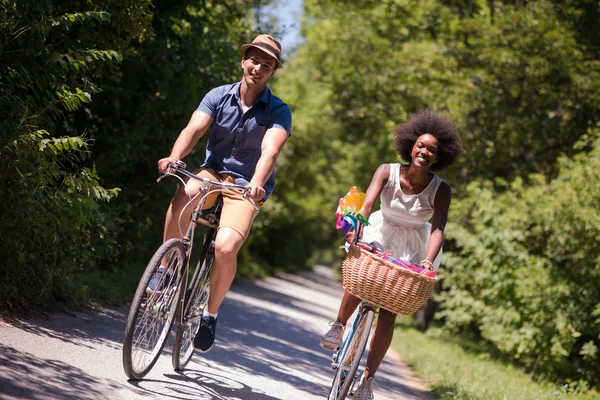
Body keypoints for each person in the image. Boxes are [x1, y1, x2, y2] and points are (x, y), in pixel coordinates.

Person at [156, 34, 292, 353]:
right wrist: (175, 158)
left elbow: (270, 152)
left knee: (226, 246)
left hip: (245, 186)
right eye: (254, 60)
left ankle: (209, 314)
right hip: (213, 172)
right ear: (244, 60)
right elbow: (194, 129)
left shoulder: (278, 111)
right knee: (186, 190)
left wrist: (257, 183)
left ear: (273, 72)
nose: (258, 67)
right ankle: (163, 273)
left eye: (266, 64)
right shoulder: (218, 95)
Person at [320, 110, 463, 399]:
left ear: (438, 158)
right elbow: (368, 203)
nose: (424, 152)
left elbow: (437, 229)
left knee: (389, 314)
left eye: (431, 150)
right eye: (420, 146)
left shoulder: (441, 190)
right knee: (360, 279)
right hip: (379, 231)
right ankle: (338, 325)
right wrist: (357, 231)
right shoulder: (388, 171)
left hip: (414, 245)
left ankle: (367, 382)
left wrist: (427, 261)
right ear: (411, 146)